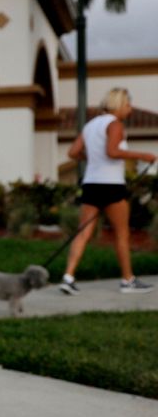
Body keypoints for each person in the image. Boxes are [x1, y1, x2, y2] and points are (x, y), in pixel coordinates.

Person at [60, 87, 155, 295]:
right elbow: (112, 152)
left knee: (83, 232)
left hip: (91, 184)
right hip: (111, 185)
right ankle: (128, 280)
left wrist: (92, 159)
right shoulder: (115, 124)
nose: (130, 109)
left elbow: (73, 152)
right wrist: (143, 155)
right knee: (122, 233)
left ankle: (68, 277)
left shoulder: (90, 125)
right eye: (128, 105)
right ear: (119, 105)